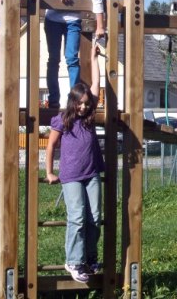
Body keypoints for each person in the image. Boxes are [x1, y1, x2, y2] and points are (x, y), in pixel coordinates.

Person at [45, 42, 104, 283]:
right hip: (70, 175)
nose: (83, 106)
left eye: (86, 103)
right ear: (72, 102)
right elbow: (50, 146)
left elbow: (96, 84)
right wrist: (49, 172)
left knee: (95, 217)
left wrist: (93, 57)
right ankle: (74, 260)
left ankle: (90, 258)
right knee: (78, 217)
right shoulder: (63, 120)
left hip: (91, 173)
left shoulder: (90, 117)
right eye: (79, 103)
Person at [33, 0, 106, 109]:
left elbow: (97, 1)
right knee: (53, 59)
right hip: (53, 20)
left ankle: (74, 99)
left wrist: (100, 26)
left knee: (72, 58)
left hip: (73, 21)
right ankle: (53, 99)